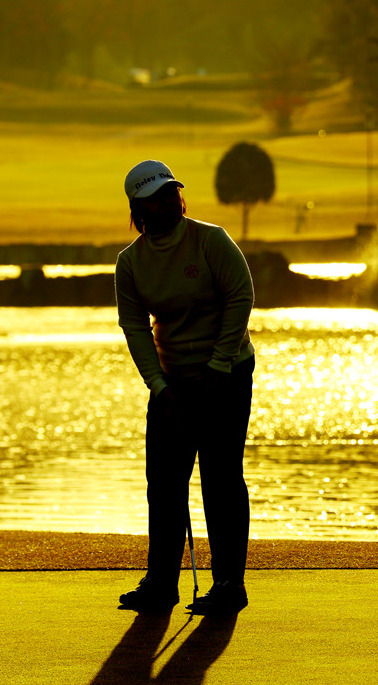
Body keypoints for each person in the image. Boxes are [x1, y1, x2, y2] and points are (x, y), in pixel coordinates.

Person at [114, 159, 255, 615]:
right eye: (156, 198)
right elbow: (134, 326)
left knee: (220, 478)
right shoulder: (131, 263)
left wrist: (217, 366)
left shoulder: (210, 240)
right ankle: (161, 583)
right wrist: (157, 385)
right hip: (172, 382)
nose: (167, 202)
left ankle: (230, 584)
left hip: (227, 374)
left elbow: (241, 297)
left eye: (171, 193)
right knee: (165, 483)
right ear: (139, 207)